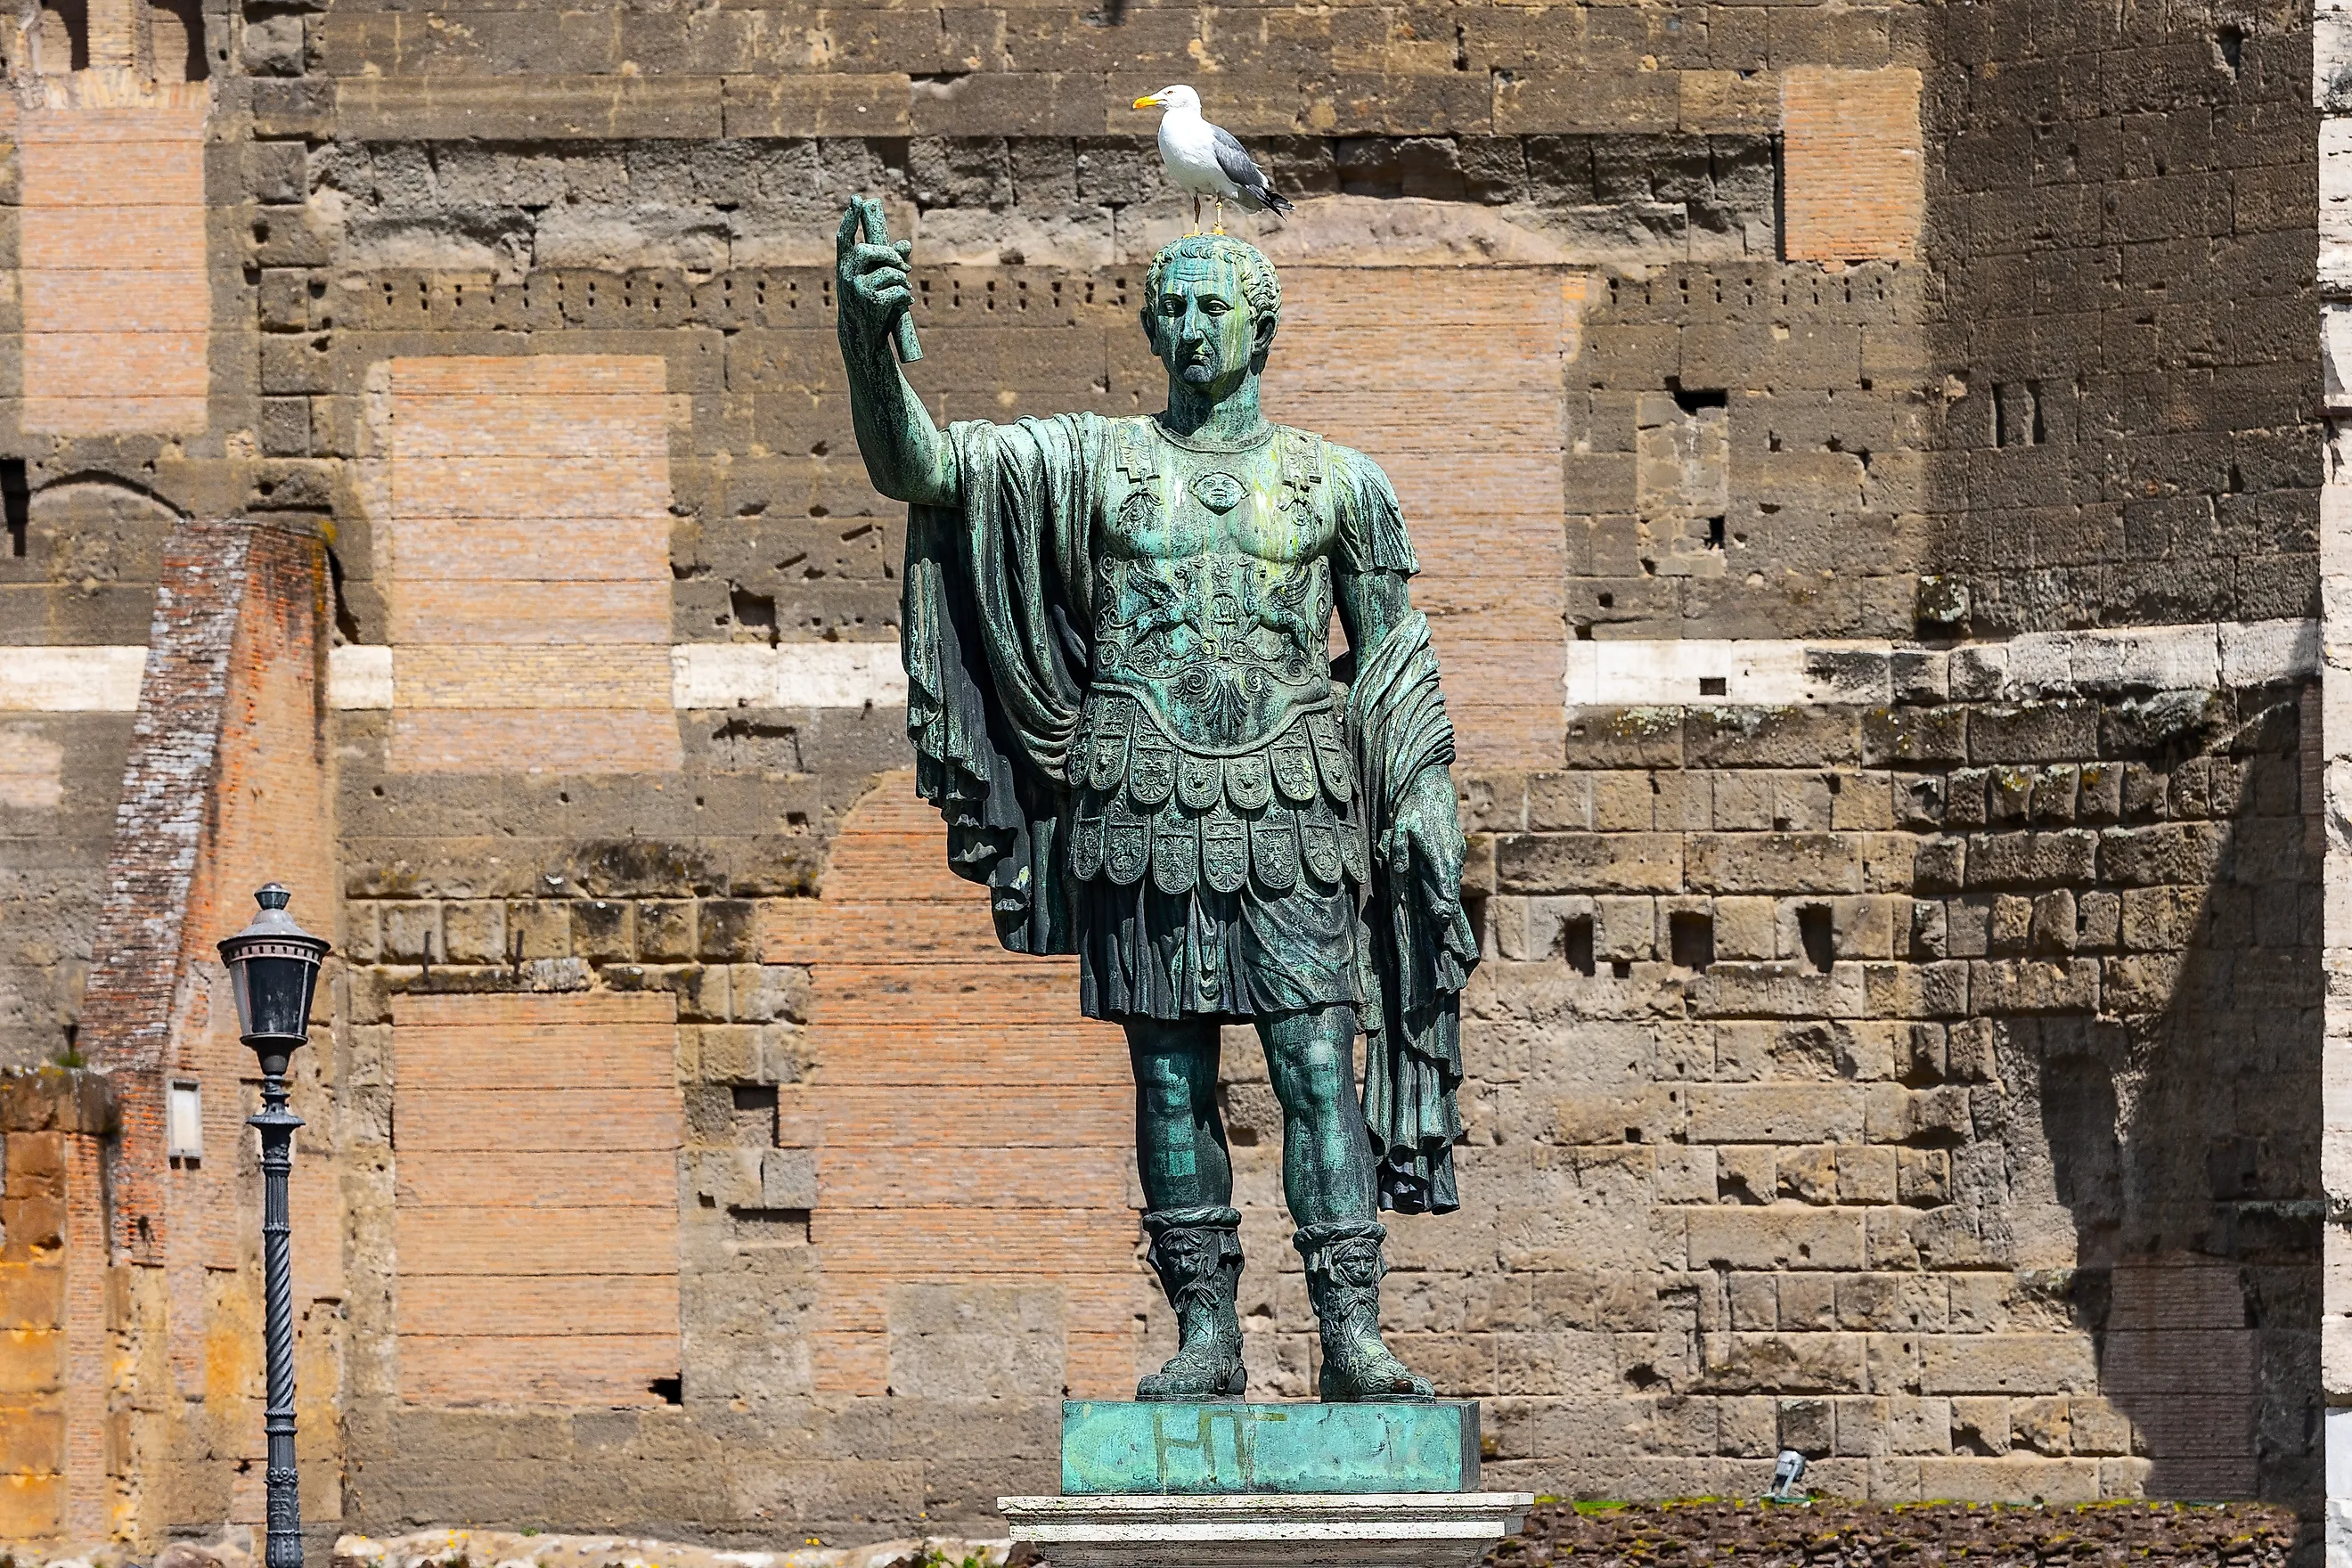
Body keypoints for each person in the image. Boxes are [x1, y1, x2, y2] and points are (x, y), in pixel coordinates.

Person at [835, 205, 1479, 1402]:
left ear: (1261, 329)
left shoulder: (1344, 485)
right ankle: (1205, 1332)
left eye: (1213, 307)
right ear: (1149, 327)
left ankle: (1353, 1334)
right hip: (1142, 803)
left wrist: (1428, 793)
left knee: (1317, 1067)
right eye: (1171, 307)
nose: (1191, 327)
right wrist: (867, 341)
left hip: (1297, 807)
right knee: (1170, 1079)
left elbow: (1396, 662)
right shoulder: (1090, 464)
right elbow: (917, 468)